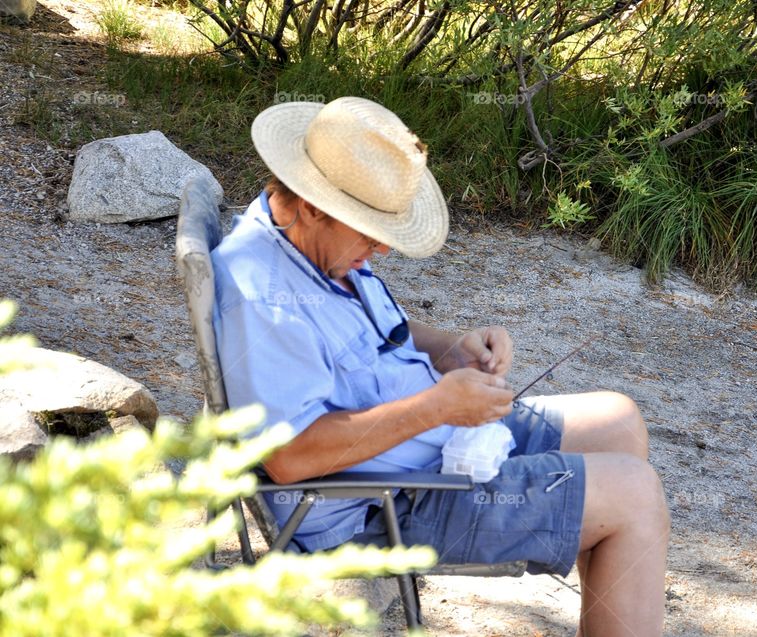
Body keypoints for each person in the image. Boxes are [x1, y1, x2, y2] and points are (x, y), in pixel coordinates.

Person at [212, 96, 670, 637]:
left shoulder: (307, 242)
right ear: (313, 204)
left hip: (431, 449)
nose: (381, 247)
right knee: (636, 496)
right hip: (383, 505)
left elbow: (377, 340)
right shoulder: (265, 296)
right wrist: (435, 408)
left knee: (618, 421)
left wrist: (451, 349)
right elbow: (289, 458)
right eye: (368, 230)